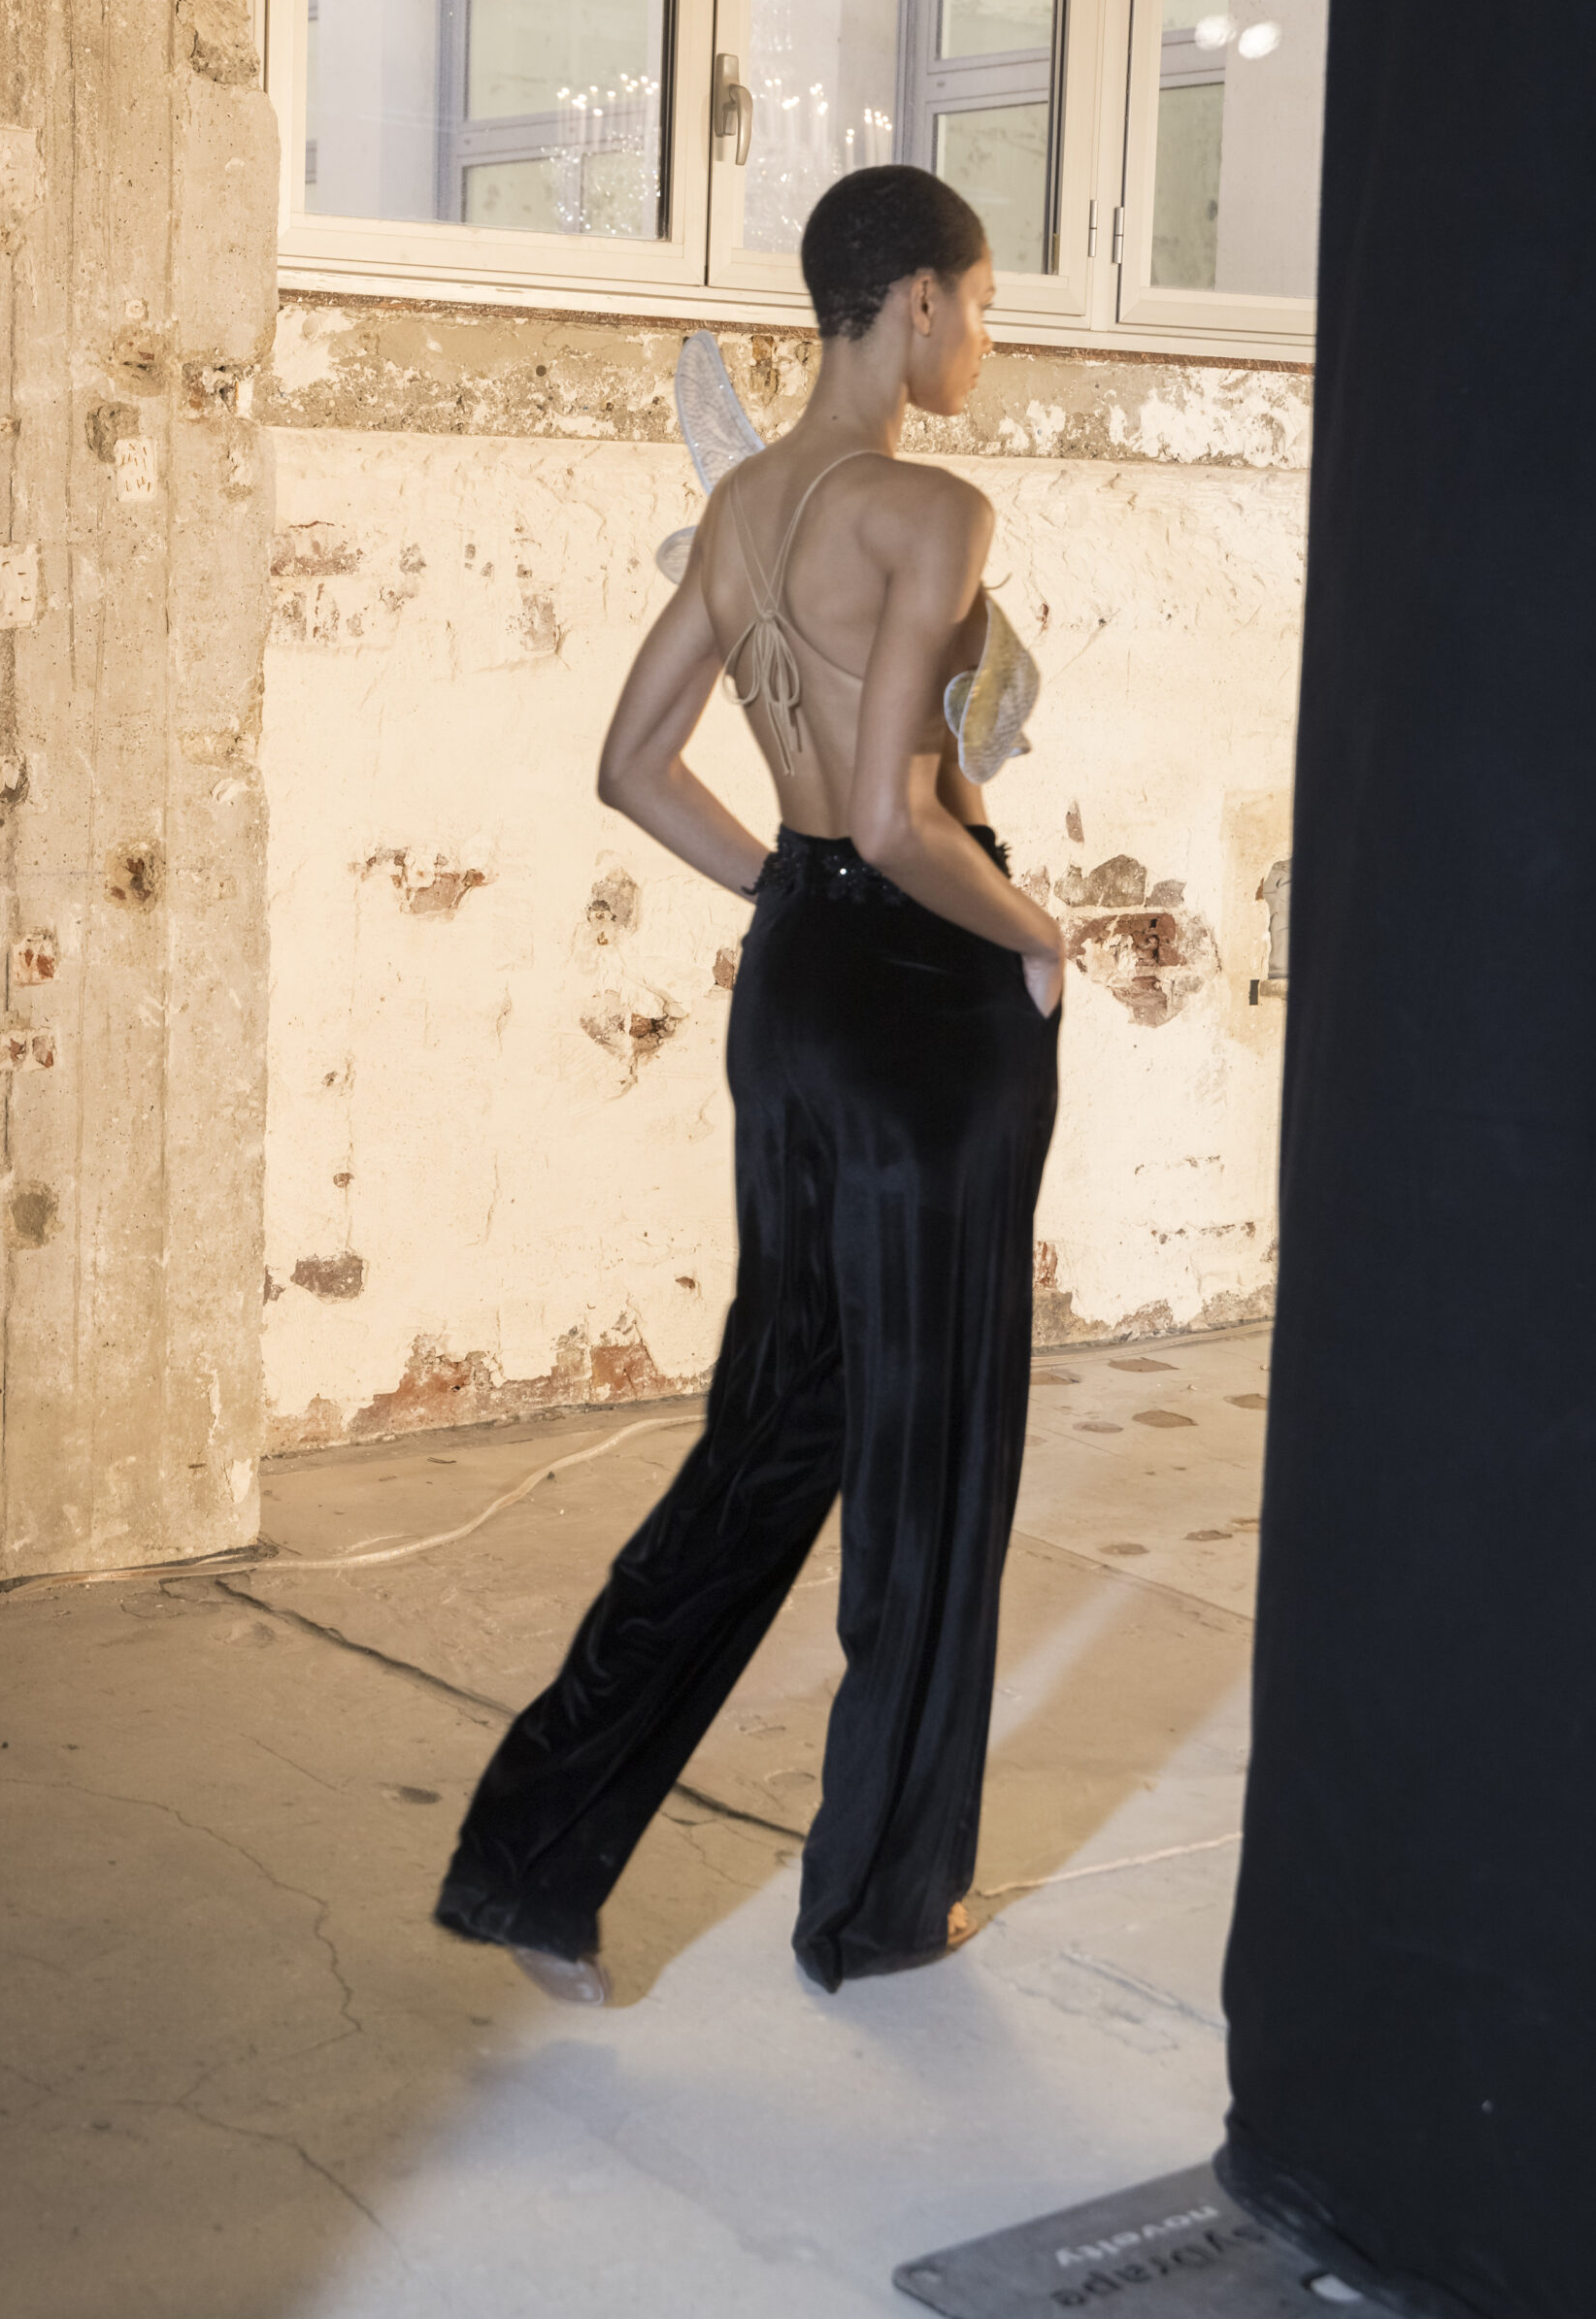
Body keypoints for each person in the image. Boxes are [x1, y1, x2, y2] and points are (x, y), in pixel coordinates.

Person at [434, 166, 1064, 1999]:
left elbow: (633, 766)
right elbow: (899, 815)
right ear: (918, 300)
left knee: (773, 1429)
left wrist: (786, 898)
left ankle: (528, 1861)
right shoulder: (932, 510)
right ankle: (882, 1905)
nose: (985, 341)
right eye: (983, 305)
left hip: (793, 996)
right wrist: (1042, 936)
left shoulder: (742, 509)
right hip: (925, 1007)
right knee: (933, 1453)